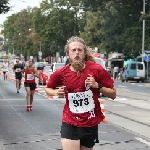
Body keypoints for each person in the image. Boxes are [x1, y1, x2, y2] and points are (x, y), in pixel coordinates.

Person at [45, 36, 116, 150]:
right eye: (73, 50)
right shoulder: (61, 73)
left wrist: (97, 86)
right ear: (68, 54)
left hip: (90, 123)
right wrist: (55, 93)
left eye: (80, 50)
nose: (77, 53)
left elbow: (113, 94)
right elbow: (48, 88)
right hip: (70, 121)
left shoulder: (97, 70)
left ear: (84, 52)